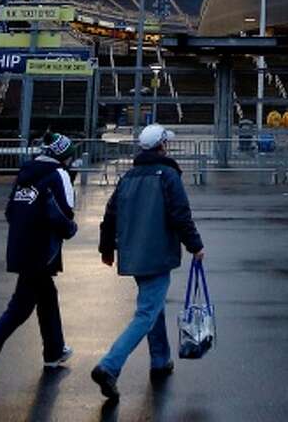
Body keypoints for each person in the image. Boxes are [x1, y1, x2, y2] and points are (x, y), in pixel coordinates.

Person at [91, 124, 205, 401]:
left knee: (153, 308)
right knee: (146, 314)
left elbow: (110, 214)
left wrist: (106, 249)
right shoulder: (167, 175)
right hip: (157, 253)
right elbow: (180, 214)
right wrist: (195, 245)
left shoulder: (129, 177)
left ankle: (160, 360)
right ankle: (109, 365)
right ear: (162, 146)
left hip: (134, 254)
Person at [0, 133, 80, 392]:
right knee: (19, 308)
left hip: (19, 246)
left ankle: (54, 350)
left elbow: (9, 212)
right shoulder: (59, 175)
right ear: (64, 155)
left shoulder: (26, 174)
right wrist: (71, 228)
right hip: (42, 250)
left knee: (47, 296)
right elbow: (63, 213)